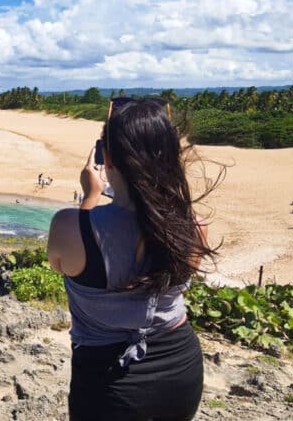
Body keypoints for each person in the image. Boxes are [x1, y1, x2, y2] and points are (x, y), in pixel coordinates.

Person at [48, 99, 214, 420]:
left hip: (107, 378)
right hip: (180, 366)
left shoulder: (70, 226)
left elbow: (63, 265)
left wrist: (90, 197)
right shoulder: (196, 225)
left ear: (105, 157)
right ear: (172, 157)